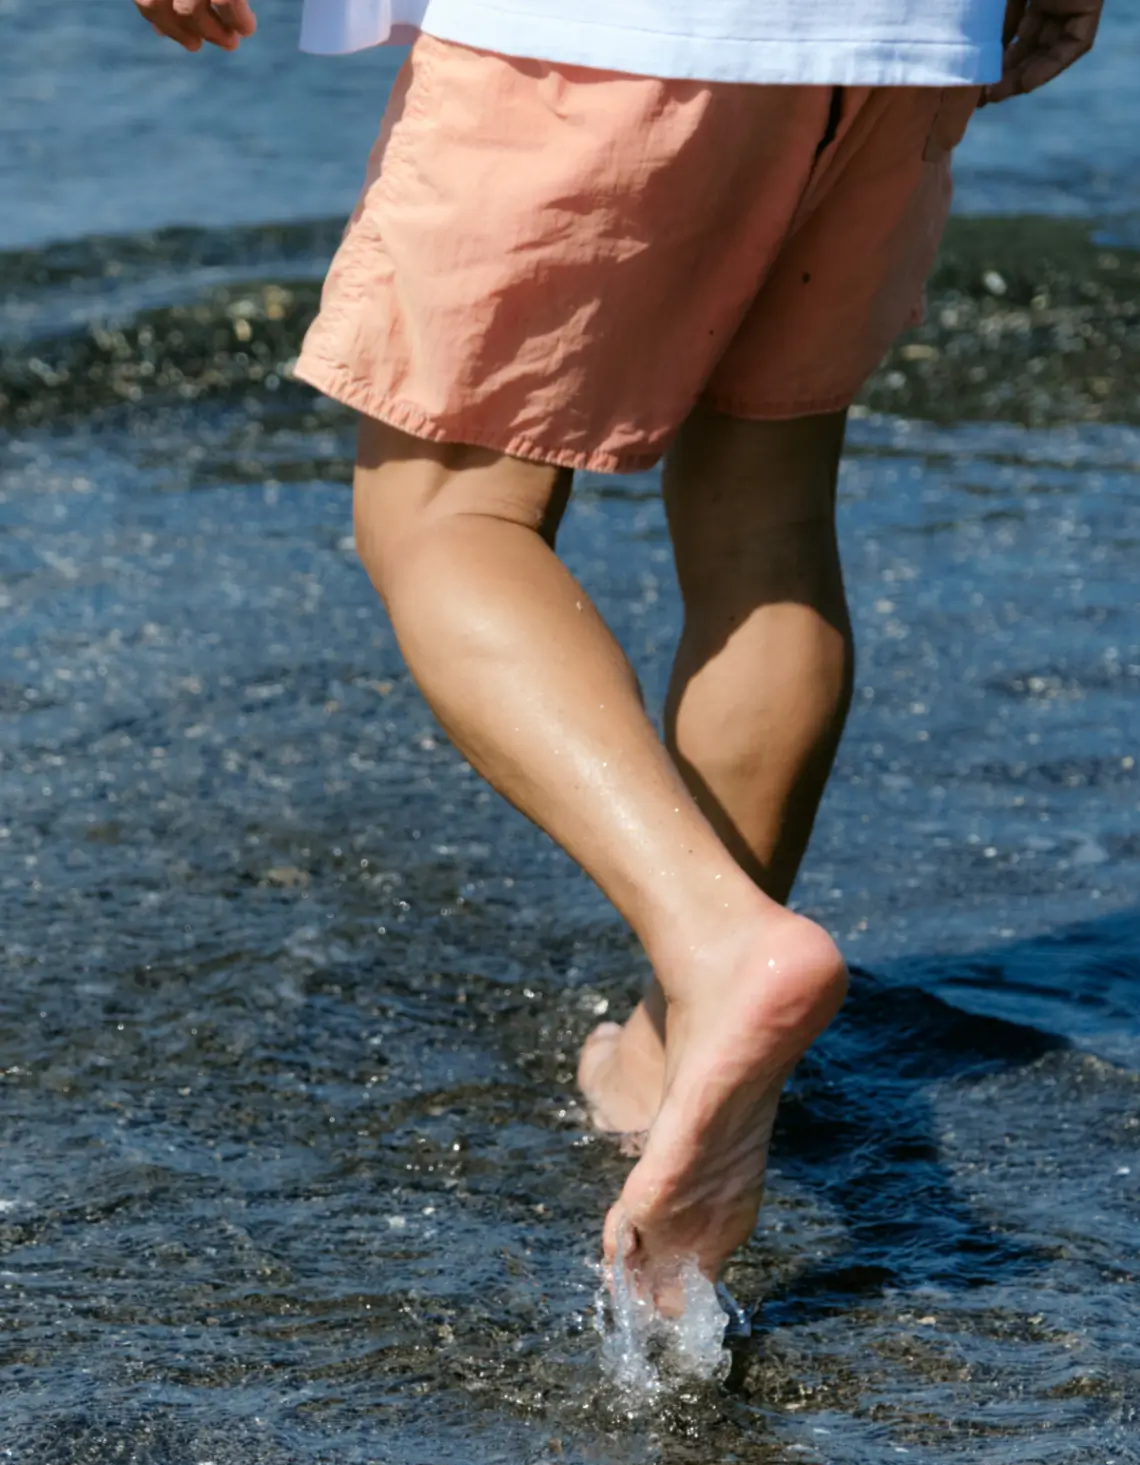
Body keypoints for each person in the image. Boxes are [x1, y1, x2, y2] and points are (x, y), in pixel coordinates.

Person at [131, 0, 1105, 1312]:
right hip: (899, 32)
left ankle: (721, 952)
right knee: (765, 516)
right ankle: (673, 1053)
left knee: (443, 512)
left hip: (607, 32)